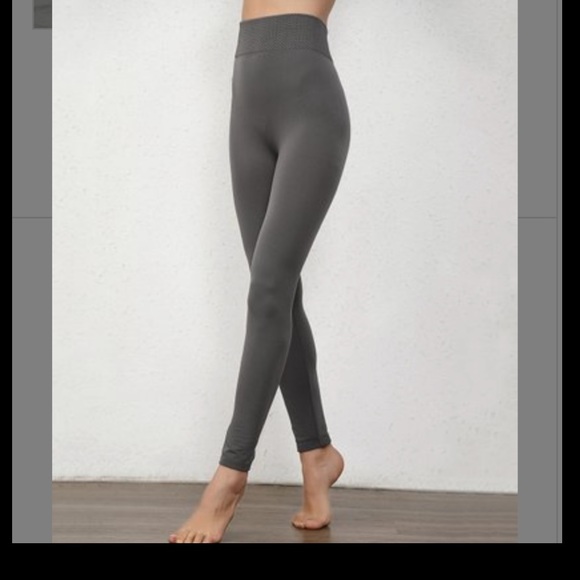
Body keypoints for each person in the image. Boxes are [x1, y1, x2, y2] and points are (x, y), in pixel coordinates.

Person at [169, 0, 351, 544]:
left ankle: (229, 477)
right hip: (246, 97)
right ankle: (317, 455)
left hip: (310, 106)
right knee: (278, 294)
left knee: (269, 290)